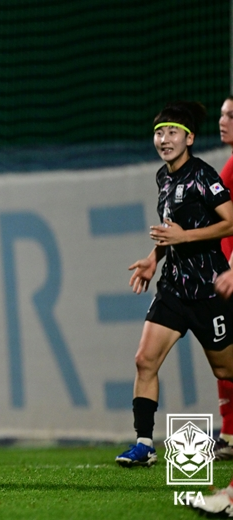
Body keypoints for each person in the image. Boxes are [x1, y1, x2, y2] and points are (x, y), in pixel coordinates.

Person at [114, 101, 233, 467]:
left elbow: (230, 223)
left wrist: (185, 238)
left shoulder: (205, 175)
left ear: (189, 138)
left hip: (208, 289)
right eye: (159, 133)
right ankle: (144, 443)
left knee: (226, 371)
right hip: (173, 289)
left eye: (172, 132)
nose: (164, 139)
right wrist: (154, 258)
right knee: (144, 360)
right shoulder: (163, 178)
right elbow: (171, 231)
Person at [214, 95, 233, 461]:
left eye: (230, 115)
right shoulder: (229, 167)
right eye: (221, 114)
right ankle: (230, 434)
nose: (222, 120)